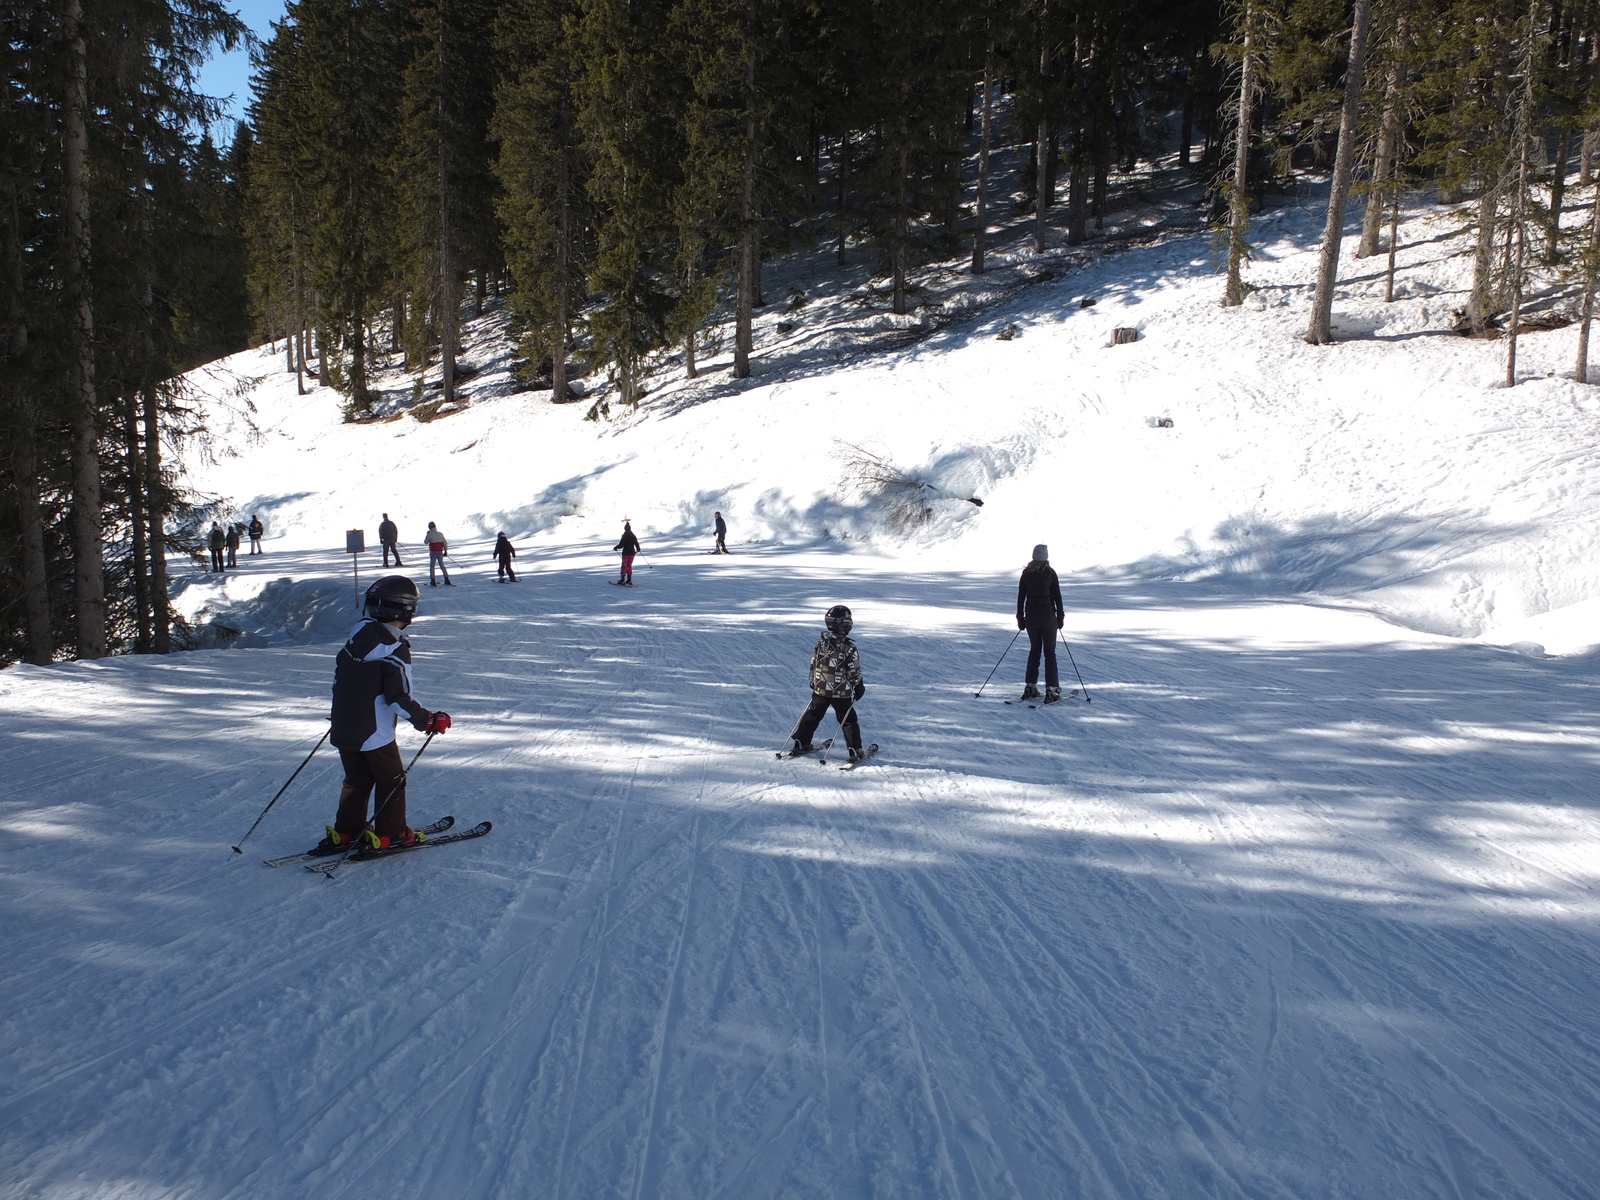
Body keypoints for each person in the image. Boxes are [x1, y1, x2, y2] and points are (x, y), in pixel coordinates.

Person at [315, 575, 451, 853]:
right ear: (407, 611)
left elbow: (344, 683)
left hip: (344, 725)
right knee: (391, 780)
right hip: (374, 733)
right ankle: (391, 833)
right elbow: (398, 699)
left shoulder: (356, 639)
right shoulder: (394, 649)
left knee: (357, 780)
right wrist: (427, 720)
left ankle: (346, 832)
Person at [788, 605, 868, 762]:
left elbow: (814, 664)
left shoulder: (821, 643)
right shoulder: (849, 647)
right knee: (848, 720)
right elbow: (853, 670)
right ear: (845, 624)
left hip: (821, 689)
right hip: (841, 692)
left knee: (812, 715)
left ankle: (801, 742)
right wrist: (858, 686)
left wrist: (813, 680)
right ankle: (855, 750)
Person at [1016, 543, 1065, 702]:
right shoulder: (1050, 573)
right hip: (1048, 618)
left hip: (1031, 618)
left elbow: (1021, 598)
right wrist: (1060, 617)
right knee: (1049, 652)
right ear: (1045, 557)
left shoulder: (1026, 573)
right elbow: (1057, 597)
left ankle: (1030, 686)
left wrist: (1020, 618)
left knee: (1034, 650)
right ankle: (1052, 690)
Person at [424, 521, 452, 587]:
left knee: (432, 567)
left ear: (429, 527)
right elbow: (445, 543)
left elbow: (425, 542)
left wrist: (427, 534)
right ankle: (447, 578)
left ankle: (433, 580)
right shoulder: (440, 534)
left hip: (433, 552)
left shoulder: (429, 534)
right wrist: (445, 551)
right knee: (442, 566)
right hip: (440, 552)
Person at [613, 520, 640, 585]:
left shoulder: (624, 536)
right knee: (629, 565)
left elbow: (621, 545)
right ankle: (629, 579)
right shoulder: (633, 535)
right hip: (632, 553)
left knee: (624, 566)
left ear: (625, 529)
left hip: (626, 553)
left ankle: (622, 579)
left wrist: (616, 547)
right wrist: (638, 548)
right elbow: (636, 543)